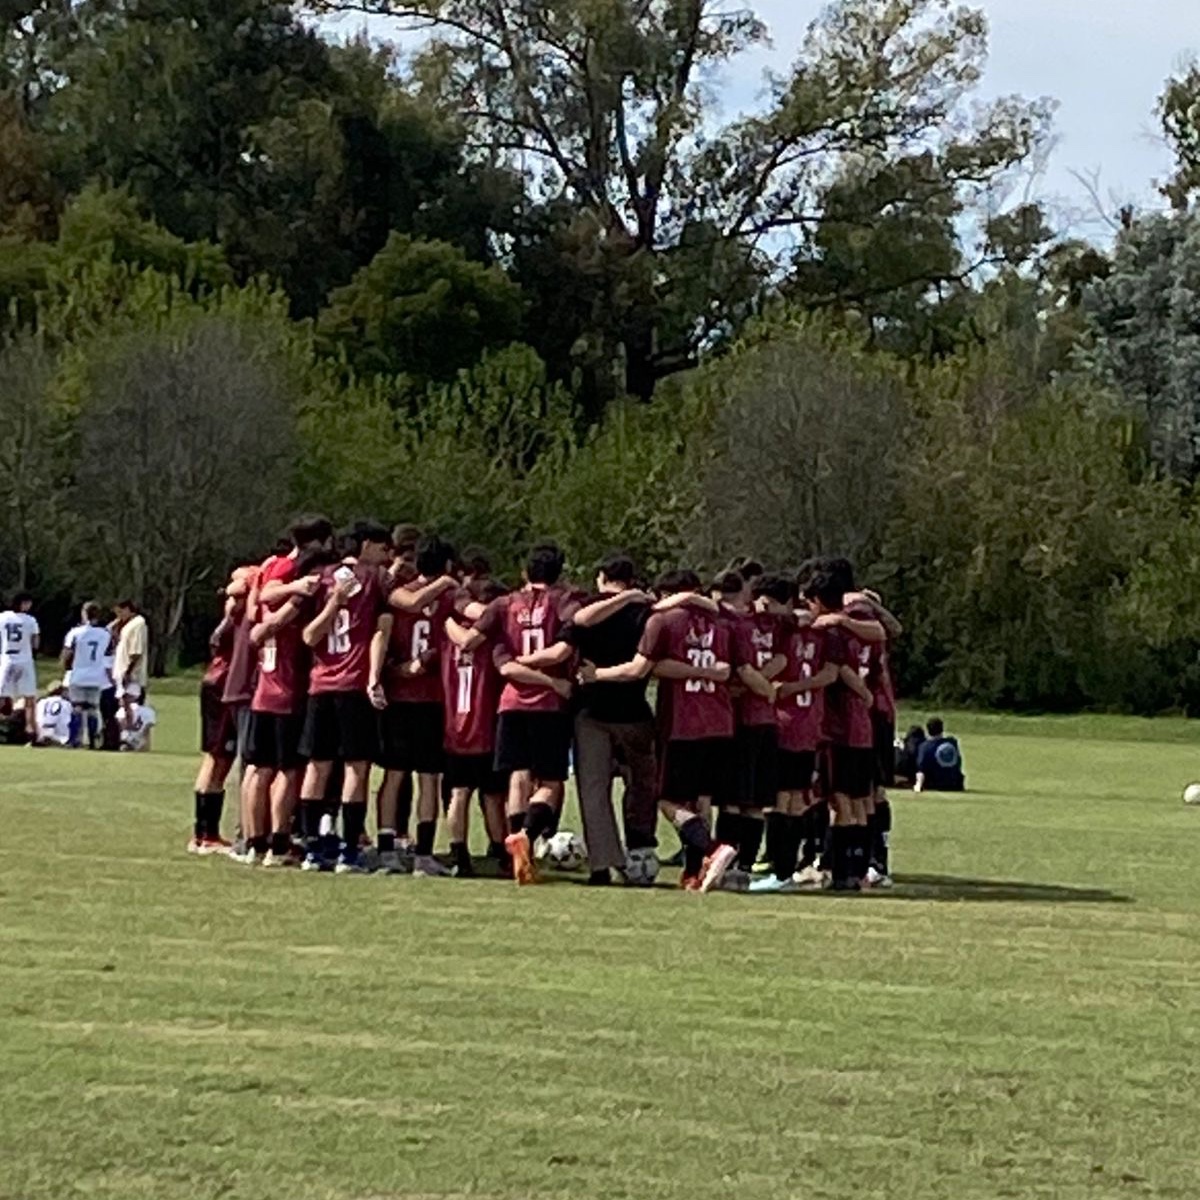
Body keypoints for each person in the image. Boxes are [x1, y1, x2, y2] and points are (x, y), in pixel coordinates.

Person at [585, 569, 739, 893]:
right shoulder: (721, 623)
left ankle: (712, 849)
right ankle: (694, 871)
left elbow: (641, 668)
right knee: (699, 799)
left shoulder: (663, 621)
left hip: (684, 722)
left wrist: (596, 674)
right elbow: (726, 670)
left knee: (668, 799)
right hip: (721, 721)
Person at [449, 541, 579, 886]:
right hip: (549, 705)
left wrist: (447, 621)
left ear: (524, 572)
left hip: (511, 703)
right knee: (550, 782)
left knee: (517, 777)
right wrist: (552, 679)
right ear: (559, 573)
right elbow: (563, 649)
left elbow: (471, 642)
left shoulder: (503, 605)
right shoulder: (563, 600)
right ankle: (526, 835)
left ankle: (514, 856)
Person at [538, 553, 660, 886]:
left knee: (594, 790)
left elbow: (576, 626)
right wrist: (634, 597)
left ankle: (602, 863)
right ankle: (639, 848)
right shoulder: (645, 612)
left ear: (602, 576)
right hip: (634, 709)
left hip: (591, 710)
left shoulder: (589, 607)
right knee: (641, 785)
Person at [297, 521, 392, 873]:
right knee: (356, 767)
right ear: (365, 545)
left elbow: (310, 636)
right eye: (380, 547)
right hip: (351, 685)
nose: (385, 555)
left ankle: (312, 848)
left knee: (318, 766)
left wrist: (332, 603)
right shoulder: (374, 578)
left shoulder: (320, 578)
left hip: (320, 685)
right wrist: (374, 677)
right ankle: (349, 851)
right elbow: (381, 632)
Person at [377, 535, 460, 876]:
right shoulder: (451, 596)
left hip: (400, 696)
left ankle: (387, 850)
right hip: (432, 699)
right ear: (448, 565)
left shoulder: (400, 593)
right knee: (428, 778)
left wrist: (395, 670)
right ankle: (424, 854)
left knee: (394, 775)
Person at [750, 576, 838, 893]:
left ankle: (780, 870)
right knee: (796, 799)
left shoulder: (782, 631)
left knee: (779, 800)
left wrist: (771, 684)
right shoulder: (820, 632)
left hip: (783, 722)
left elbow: (782, 662)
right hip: (809, 723)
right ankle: (790, 867)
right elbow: (830, 673)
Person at [804, 568, 876, 891]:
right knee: (860, 801)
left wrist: (859, 689)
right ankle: (857, 869)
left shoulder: (830, 633)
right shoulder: (859, 628)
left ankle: (841, 872)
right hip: (862, 726)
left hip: (838, 727)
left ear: (818, 601)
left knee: (840, 801)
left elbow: (839, 670)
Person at [439, 579, 511, 876]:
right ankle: (501, 854)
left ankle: (459, 855)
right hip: (486, 725)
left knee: (459, 792)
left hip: (454, 725)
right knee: (493, 795)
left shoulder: (448, 636)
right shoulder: (493, 637)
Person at [62, 602, 113, 749]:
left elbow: (67, 653)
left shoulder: (75, 633)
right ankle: (92, 741)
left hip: (78, 674)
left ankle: (74, 739)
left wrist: (66, 667)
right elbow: (108, 656)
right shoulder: (105, 634)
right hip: (96, 675)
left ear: (84, 614)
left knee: (77, 708)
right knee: (92, 709)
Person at [0, 592, 40, 739]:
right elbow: (35, 642)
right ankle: (30, 730)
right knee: (29, 698)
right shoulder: (30, 620)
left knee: (2, 696)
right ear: (22, 603)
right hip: (24, 659)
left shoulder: (3, 617)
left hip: (7, 658)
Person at [112, 599, 149, 721]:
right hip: (122, 672)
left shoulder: (138, 624)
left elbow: (136, 652)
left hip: (131, 675)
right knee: (122, 706)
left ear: (128, 609)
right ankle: (125, 730)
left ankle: (132, 730)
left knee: (130, 705)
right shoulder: (127, 625)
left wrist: (128, 672)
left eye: (120, 612)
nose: (119, 616)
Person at [915, 717, 965, 792]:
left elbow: (921, 769)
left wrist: (918, 785)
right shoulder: (952, 743)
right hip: (956, 784)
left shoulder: (925, 747)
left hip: (936, 784)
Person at [35, 680, 72, 747]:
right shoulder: (66, 703)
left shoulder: (41, 702)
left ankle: (44, 738)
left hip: (41, 732)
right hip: (60, 735)